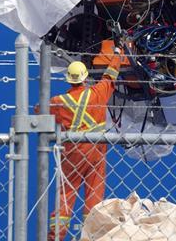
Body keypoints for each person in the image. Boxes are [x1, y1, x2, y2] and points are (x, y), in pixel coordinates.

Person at [47, 47, 122, 241]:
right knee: (94, 194)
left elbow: (40, 110)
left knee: (66, 193)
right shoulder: (97, 93)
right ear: (85, 77)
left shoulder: (58, 102)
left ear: (69, 80)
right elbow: (110, 77)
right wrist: (118, 54)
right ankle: (92, 236)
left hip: (72, 153)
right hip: (97, 151)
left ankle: (55, 236)